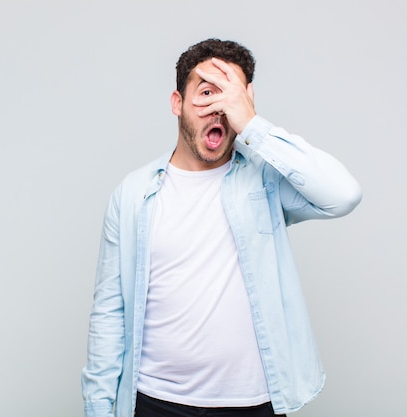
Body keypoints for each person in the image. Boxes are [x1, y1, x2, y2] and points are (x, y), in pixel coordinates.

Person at [81, 39, 362, 417]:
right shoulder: (133, 194)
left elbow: (342, 195)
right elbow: (109, 311)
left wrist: (253, 126)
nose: (217, 109)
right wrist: (98, 408)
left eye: (229, 97)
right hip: (154, 401)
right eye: (207, 92)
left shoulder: (265, 182)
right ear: (177, 103)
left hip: (252, 403)